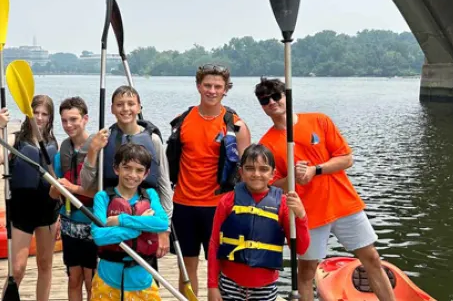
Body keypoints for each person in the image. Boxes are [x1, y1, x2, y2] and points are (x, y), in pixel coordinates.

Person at [254, 78, 394, 301]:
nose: (271, 102)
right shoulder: (266, 144)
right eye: (264, 100)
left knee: (372, 258)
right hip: (307, 214)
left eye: (276, 96)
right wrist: (293, 179)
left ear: (286, 97)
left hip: (344, 205)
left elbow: (346, 158)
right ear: (261, 106)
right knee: (307, 271)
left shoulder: (319, 120)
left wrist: (315, 170)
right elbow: (269, 184)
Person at [165, 63, 251, 295]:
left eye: (218, 86)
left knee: (220, 268)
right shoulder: (182, 121)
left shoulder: (237, 126)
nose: (212, 91)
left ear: (226, 90)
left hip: (220, 206)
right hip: (183, 204)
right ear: (198, 86)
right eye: (207, 85)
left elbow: (247, 172)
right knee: (186, 266)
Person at [206, 144, 310, 301]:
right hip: (229, 284)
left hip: (265, 287)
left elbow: (301, 249)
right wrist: (212, 286)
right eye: (249, 168)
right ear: (241, 172)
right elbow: (214, 244)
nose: (256, 174)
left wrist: (301, 215)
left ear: (272, 174)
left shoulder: (283, 204)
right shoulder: (227, 201)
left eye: (263, 169)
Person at [84, 85, 173, 264]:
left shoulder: (153, 140)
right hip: (113, 211)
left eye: (131, 104)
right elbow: (86, 184)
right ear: (112, 109)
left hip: (146, 214)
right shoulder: (102, 139)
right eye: (120, 104)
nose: (125, 109)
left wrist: (165, 230)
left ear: (139, 107)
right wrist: (93, 150)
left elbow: (164, 183)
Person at [0, 95, 61, 301]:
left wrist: (62, 214)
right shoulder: (15, 138)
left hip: (48, 212)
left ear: (50, 118)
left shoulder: (53, 143)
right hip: (22, 212)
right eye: (35, 113)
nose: (39, 118)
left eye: (44, 114)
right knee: (17, 269)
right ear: (28, 114)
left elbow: (57, 181)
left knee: (45, 264)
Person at [90, 142, 170, 300]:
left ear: (146, 174)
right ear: (116, 168)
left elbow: (162, 223)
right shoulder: (103, 197)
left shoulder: (150, 195)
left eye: (139, 170)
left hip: (142, 278)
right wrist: (140, 227)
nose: (132, 175)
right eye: (127, 167)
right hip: (107, 279)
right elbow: (99, 237)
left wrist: (121, 219)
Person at [48, 97, 99, 301]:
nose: (69, 125)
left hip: (93, 225)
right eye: (64, 120)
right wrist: (56, 188)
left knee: (91, 282)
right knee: (73, 280)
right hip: (70, 225)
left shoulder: (98, 150)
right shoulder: (62, 155)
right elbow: (53, 195)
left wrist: (72, 188)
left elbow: (102, 193)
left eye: (74, 119)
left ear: (85, 119)